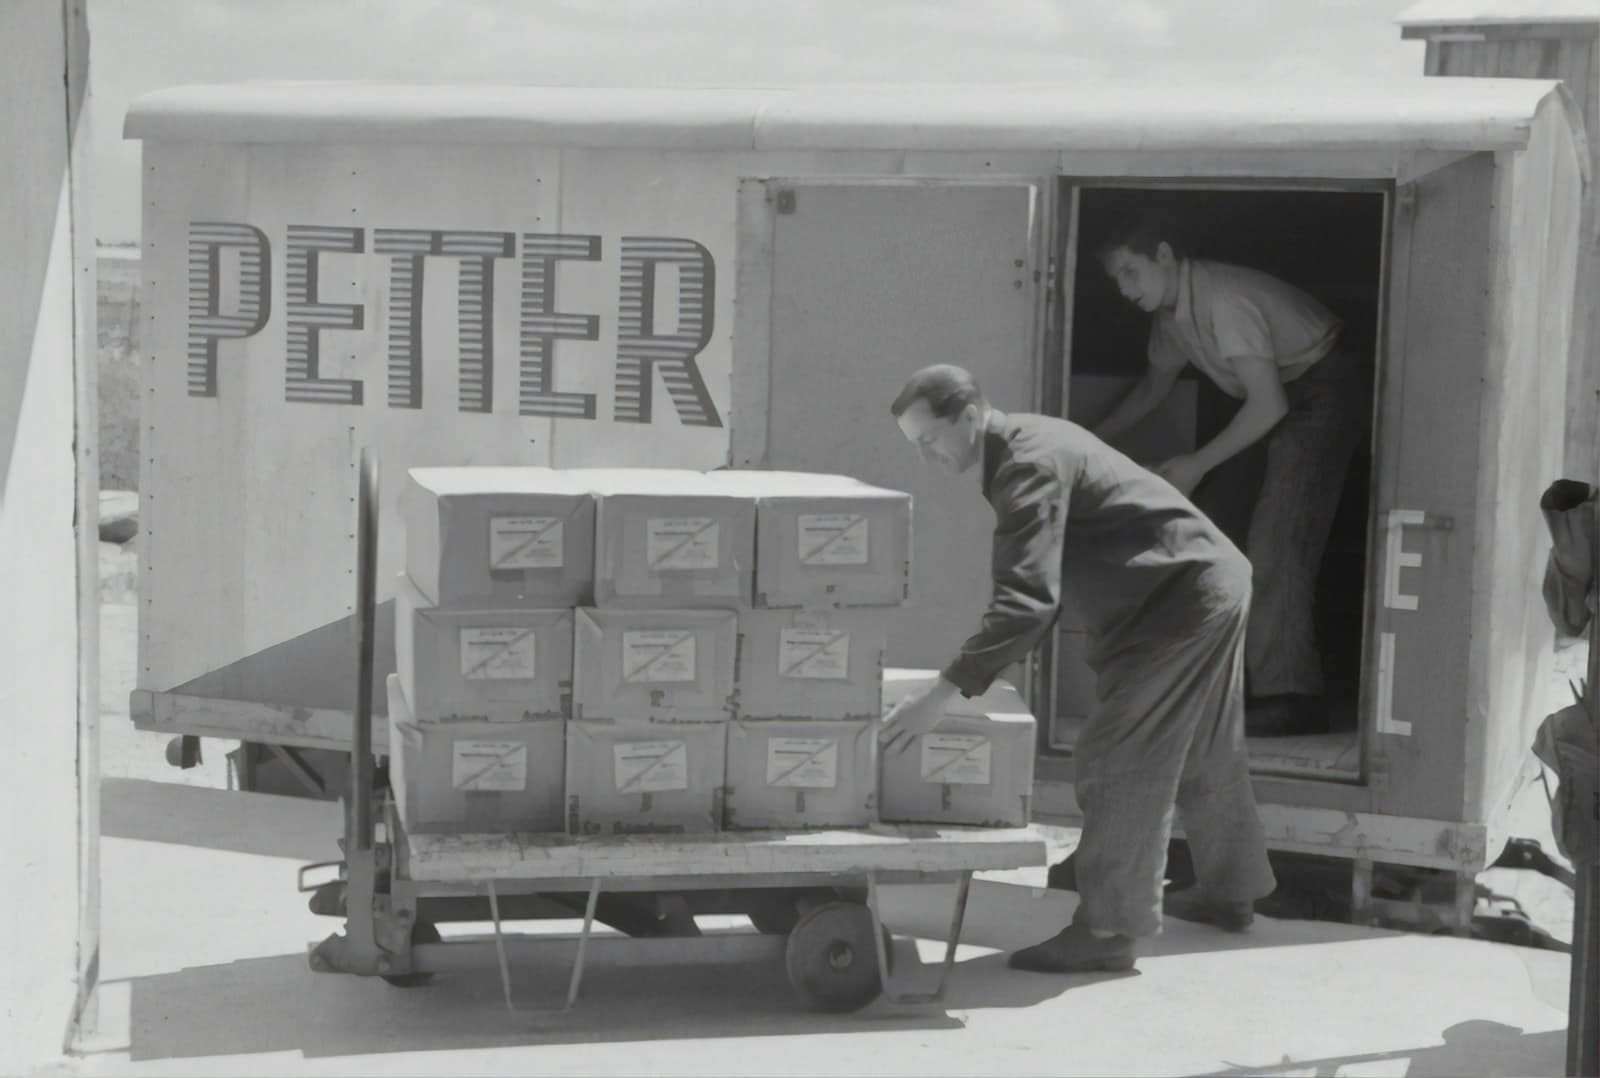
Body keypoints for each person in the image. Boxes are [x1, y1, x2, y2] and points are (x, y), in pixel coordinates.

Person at [882, 364, 1276, 973]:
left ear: (967, 416)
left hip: (1182, 600)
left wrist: (945, 693)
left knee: (1119, 754)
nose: (926, 457)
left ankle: (1109, 930)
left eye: (929, 440)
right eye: (915, 446)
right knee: (1202, 745)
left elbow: (1026, 603)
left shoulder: (1025, 466)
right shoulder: (1024, 446)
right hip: (1190, 587)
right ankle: (1229, 890)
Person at [1092, 213, 1368, 737]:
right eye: (1116, 279)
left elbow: (1268, 406)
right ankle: (1222, 683)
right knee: (1213, 524)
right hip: (1275, 397)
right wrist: (1089, 437)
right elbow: (1153, 392)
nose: (1124, 289)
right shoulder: (1171, 317)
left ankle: (1291, 696)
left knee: (1276, 539)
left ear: (1166, 256)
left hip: (1321, 388)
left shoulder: (1222, 298)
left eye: (1131, 271)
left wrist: (1196, 464)